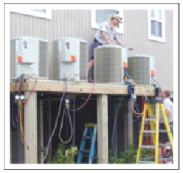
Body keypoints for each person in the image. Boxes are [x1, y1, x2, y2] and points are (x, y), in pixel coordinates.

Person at [88, 14, 125, 81]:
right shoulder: (104, 24)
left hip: (105, 47)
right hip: (97, 44)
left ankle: (96, 79)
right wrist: (110, 43)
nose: (117, 23)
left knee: (101, 63)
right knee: (93, 61)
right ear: (113, 19)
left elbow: (116, 40)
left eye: (119, 22)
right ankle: (83, 76)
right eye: (117, 21)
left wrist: (123, 46)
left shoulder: (114, 30)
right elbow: (104, 35)